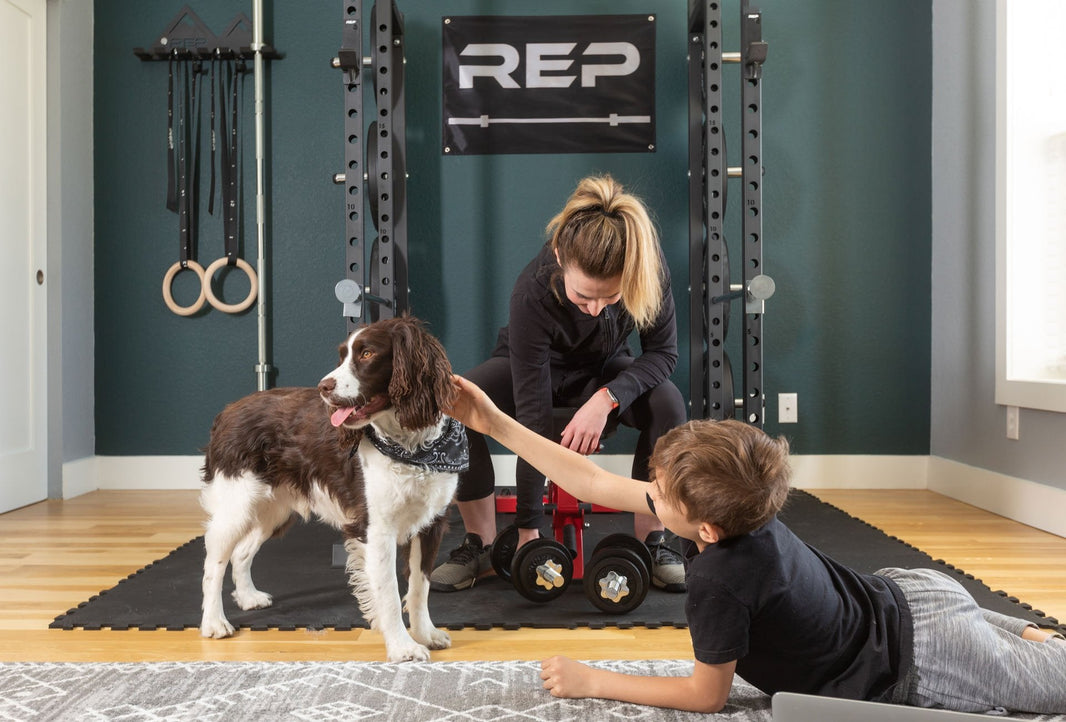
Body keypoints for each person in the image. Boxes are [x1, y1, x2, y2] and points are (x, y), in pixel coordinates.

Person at [443, 374, 1066, 715]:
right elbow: (589, 478)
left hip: (924, 655)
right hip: (915, 594)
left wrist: (593, 680)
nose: (644, 493)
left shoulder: (718, 578)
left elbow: (705, 696)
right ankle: (1033, 633)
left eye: (656, 492)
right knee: (1039, 647)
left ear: (704, 532)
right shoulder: (745, 502)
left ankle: (1035, 640)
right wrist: (492, 422)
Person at [431, 175, 688, 593]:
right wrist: (528, 529)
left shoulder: (646, 266)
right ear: (559, 256)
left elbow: (664, 354)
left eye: (610, 298)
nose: (595, 309)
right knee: (454, 406)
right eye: (584, 296)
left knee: (668, 403)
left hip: (602, 371)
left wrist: (606, 399)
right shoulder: (532, 290)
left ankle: (653, 541)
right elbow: (533, 417)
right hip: (528, 367)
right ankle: (481, 543)